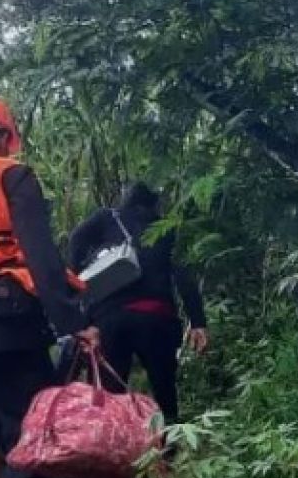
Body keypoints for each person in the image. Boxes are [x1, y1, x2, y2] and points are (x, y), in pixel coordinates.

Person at [0, 92, 99, 478]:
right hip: (6, 321)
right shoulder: (11, 175)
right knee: (26, 432)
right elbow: (43, 262)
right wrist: (72, 323)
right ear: (3, 134)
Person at [69, 182, 208, 424]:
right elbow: (183, 273)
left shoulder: (106, 219)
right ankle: (169, 447)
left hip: (109, 319)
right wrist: (197, 322)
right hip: (156, 317)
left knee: (110, 396)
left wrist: (78, 274)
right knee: (164, 390)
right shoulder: (165, 228)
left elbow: (75, 240)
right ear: (154, 203)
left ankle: (113, 451)